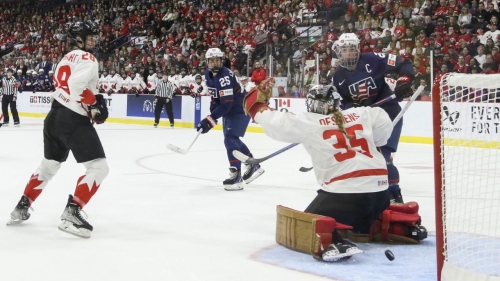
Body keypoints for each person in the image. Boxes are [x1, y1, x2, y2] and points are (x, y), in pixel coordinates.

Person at [243, 81, 392, 261]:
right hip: (381, 194)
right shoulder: (363, 113)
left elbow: (276, 123)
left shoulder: (307, 121)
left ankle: (334, 242)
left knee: (306, 226)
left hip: (346, 196)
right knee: (359, 216)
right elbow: (383, 131)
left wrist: (256, 105)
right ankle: (388, 224)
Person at [6, 21, 109, 239]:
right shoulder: (88, 58)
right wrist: (94, 105)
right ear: (78, 39)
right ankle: (72, 212)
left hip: (53, 117)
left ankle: (21, 207)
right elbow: (76, 86)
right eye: (89, 37)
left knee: (49, 165)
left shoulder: (66, 57)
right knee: (99, 168)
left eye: (93, 37)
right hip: (73, 118)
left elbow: (66, 85)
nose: (93, 40)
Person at [332, 33, 415, 204]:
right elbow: (342, 104)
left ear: (358, 50)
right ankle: (377, 197)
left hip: (389, 114)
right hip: (366, 121)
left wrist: (404, 81)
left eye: (352, 49)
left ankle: (394, 197)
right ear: (338, 53)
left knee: (382, 158)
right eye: (344, 50)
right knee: (369, 161)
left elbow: (403, 62)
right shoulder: (338, 77)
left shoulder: (373, 59)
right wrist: (350, 108)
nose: (348, 53)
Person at [198, 48, 264, 191]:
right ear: (207, 62)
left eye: (217, 60)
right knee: (231, 139)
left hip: (240, 108)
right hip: (231, 110)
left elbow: (226, 104)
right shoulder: (208, 75)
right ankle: (252, 165)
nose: (215, 63)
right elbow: (216, 96)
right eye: (212, 60)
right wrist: (213, 107)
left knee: (230, 138)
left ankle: (237, 175)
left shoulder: (225, 77)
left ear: (221, 61)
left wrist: (210, 120)